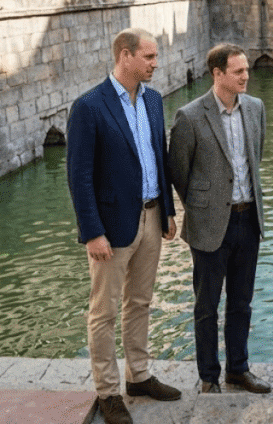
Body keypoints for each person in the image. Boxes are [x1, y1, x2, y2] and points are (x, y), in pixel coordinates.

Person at [66, 28, 182, 424]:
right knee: (104, 311)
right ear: (125, 56)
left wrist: (167, 210)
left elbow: (159, 156)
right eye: (148, 57)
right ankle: (108, 391)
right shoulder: (89, 106)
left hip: (151, 216)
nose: (154, 63)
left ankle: (140, 375)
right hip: (111, 226)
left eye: (154, 57)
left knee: (141, 302)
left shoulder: (152, 100)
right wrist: (92, 231)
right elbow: (79, 175)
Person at [168, 43, 270, 395]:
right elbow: (179, 172)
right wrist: (204, 207)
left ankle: (238, 370)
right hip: (210, 225)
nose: (246, 76)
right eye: (238, 71)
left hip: (248, 220)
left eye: (246, 70)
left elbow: (255, 159)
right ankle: (209, 376)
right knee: (206, 306)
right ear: (217, 74)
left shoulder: (255, 108)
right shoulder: (191, 116)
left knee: (242, 303)